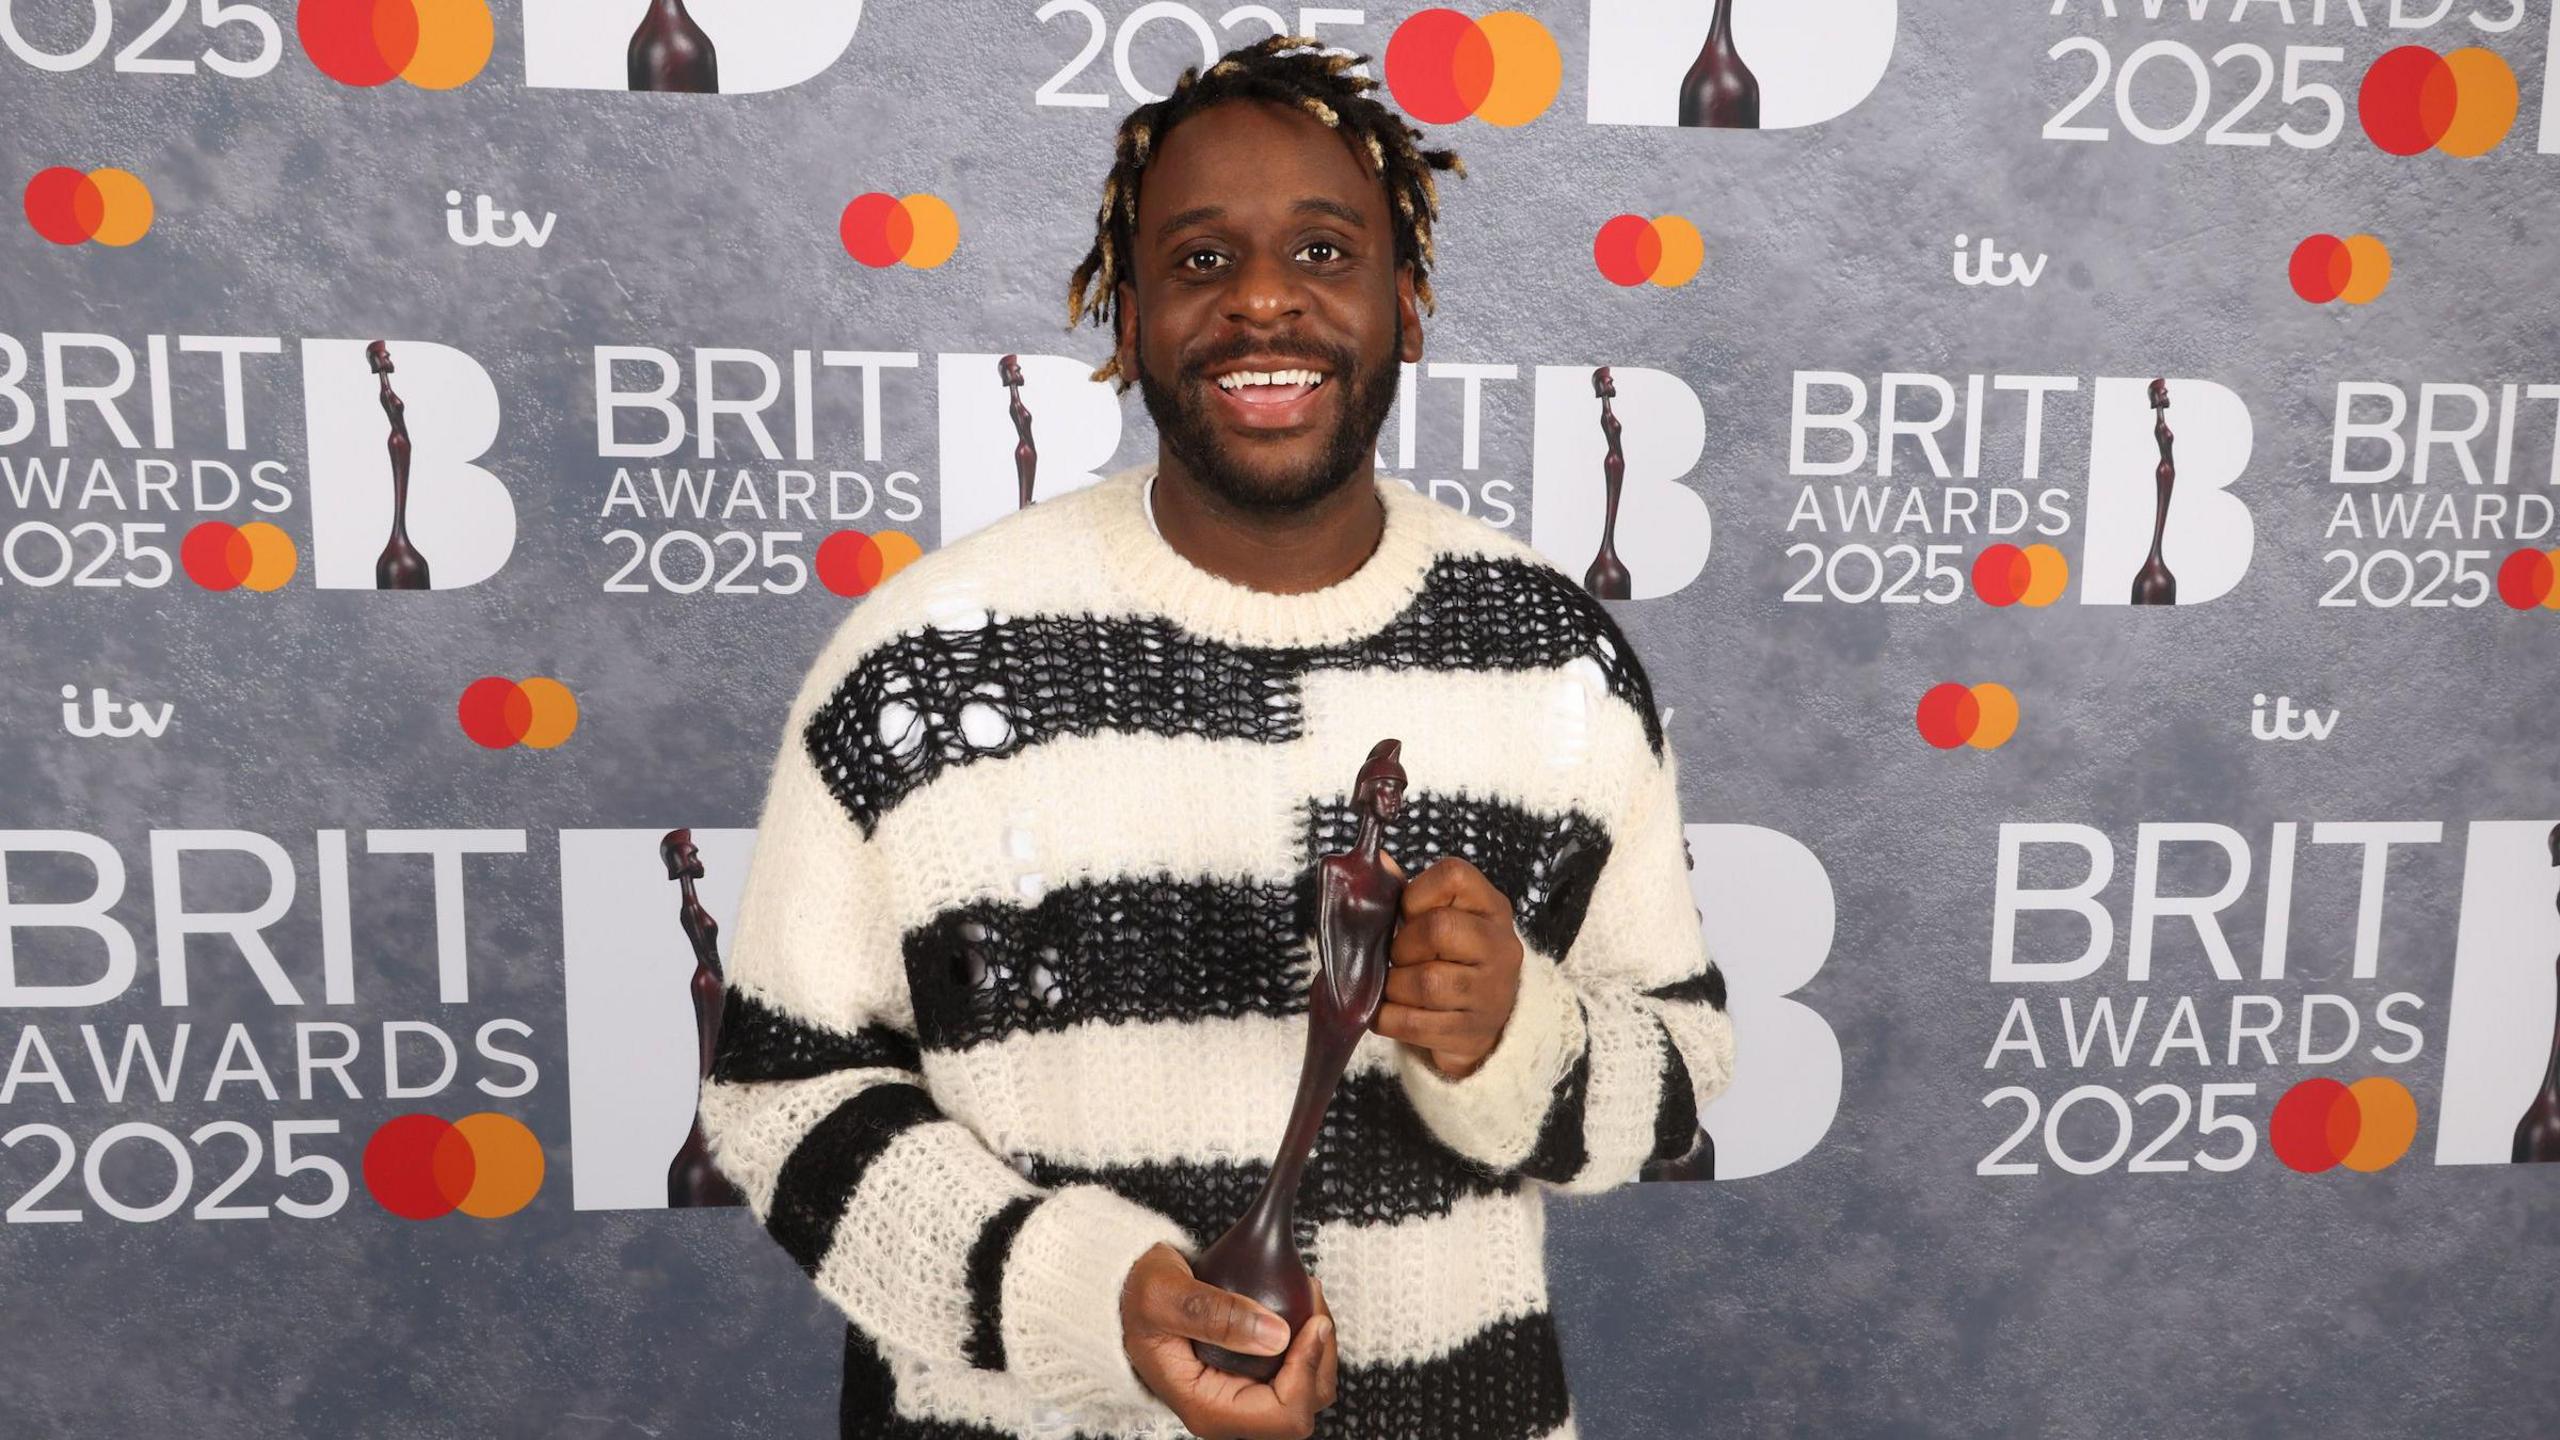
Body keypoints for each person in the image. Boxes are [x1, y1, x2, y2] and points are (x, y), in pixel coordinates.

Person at [697, 34, 1732, 1440]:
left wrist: (1516, 1041)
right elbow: (781, 1098)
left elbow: (1678, 1067)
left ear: (1407, 304)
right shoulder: (924, 666)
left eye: (1322, 251)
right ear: (1125, 322)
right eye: (1197, 261)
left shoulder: (1557, 663)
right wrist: (1084, 1302)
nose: (1260, 300)